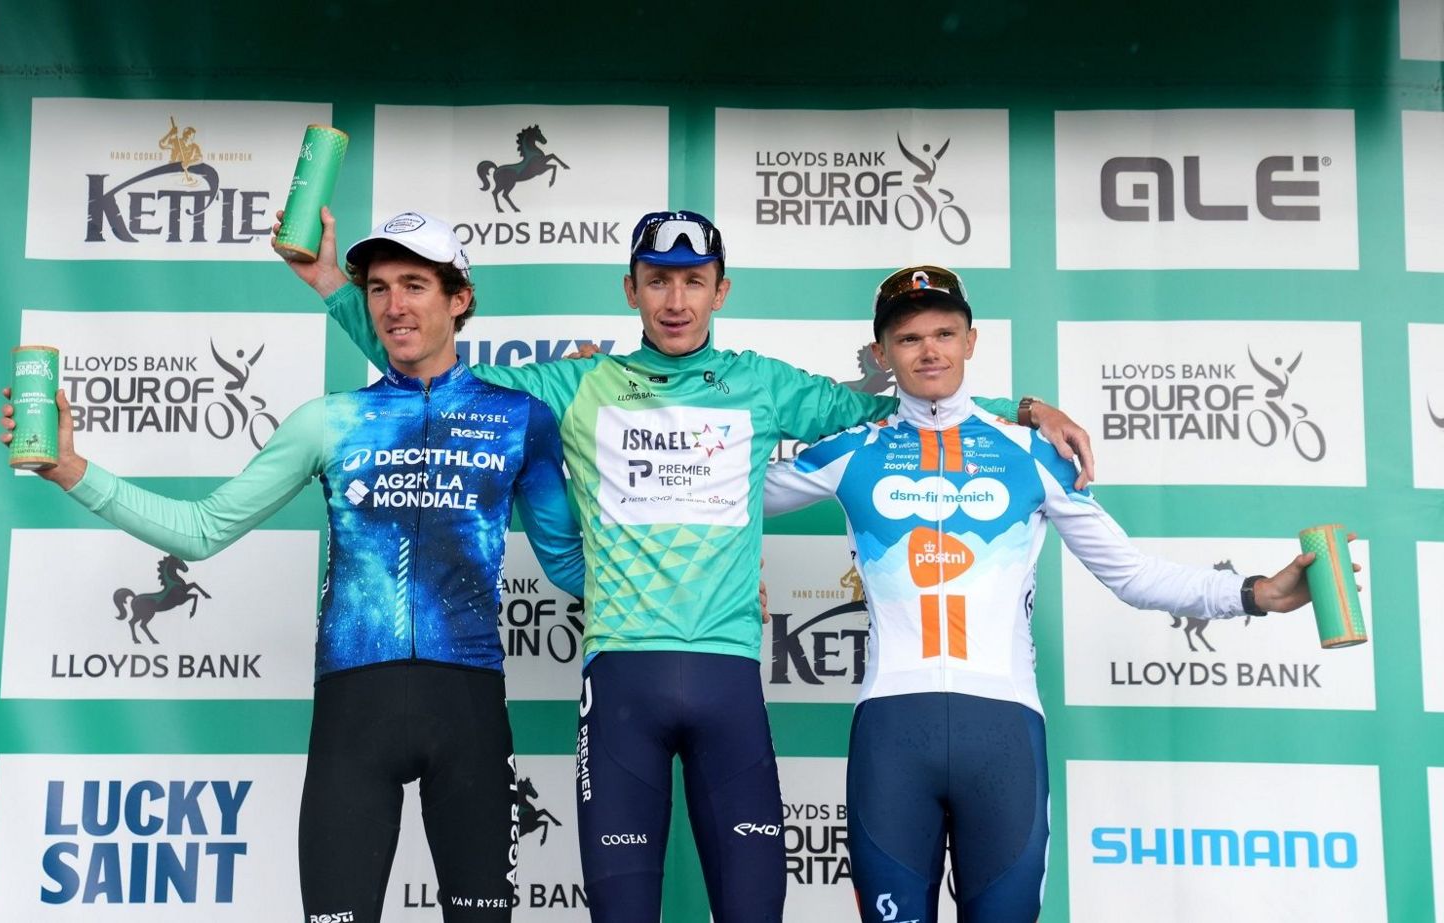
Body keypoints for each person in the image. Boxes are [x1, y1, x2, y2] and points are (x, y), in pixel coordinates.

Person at [293, 207, 1094, 923]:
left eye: (693, 282)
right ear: (631, 289)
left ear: (721, 289)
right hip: (620, 690)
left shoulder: (764, 385)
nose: (676, 301)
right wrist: (335, 288)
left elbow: (914, 406)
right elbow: (429, 363)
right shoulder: (575, 385)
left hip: (730, 686)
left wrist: (1024, 409)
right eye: (658, 282)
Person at [2, 212, 584, 923]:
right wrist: (72, 470)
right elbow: (203, 527)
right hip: (353, 715)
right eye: (376, 289)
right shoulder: (328, 420)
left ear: (459, 297)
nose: (394, 305)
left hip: (468, 709)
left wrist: (717, 582)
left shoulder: (520, 418)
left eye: (414, 284)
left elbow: (569, 563)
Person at [762, 265, 1352, 922]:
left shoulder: (1032, 454)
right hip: (893, 735)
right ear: (882, 355)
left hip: (1006, 733)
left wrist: (1255, 592)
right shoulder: (850, 451)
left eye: (944, 333)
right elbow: (721, 495)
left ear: (971, 341)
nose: (929, 350)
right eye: (908, 339)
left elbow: (1129, 572)